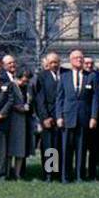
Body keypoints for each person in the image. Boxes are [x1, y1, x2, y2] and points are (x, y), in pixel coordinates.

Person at [56, 49, 94, 183]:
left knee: (81, 148)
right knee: (66, 148)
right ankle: (65, 176)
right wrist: (59, 116)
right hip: (67, 117)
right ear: (71, 61)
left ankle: (80, 176)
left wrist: (93, 117)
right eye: (77, 58)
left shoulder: (90, 76)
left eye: (81, 58)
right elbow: (59, 98)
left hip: (84, 117)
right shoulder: (64, 77)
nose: (80, 60)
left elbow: (94, 99)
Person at [32, 52, 63, 181]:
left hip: (62, 116)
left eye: (56, 62)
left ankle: (59, 172)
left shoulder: (65, 74)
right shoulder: (42, 76)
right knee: (49, 146)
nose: (54, 65)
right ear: (47, 64)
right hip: (48, 116)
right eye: (51, 63)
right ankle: (49, 173)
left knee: (60, 145)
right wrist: (44, 117)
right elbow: (39, 99)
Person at [2, 55, 33, 179]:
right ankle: (8, 172)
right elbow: (8, 101)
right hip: (12, 120)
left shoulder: (27, 88)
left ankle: (18, 173)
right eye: (25, 78)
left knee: (21, 149)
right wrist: (17, 107)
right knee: (10, 148)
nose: (26, 81)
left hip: (23, 121)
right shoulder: (11, 86)